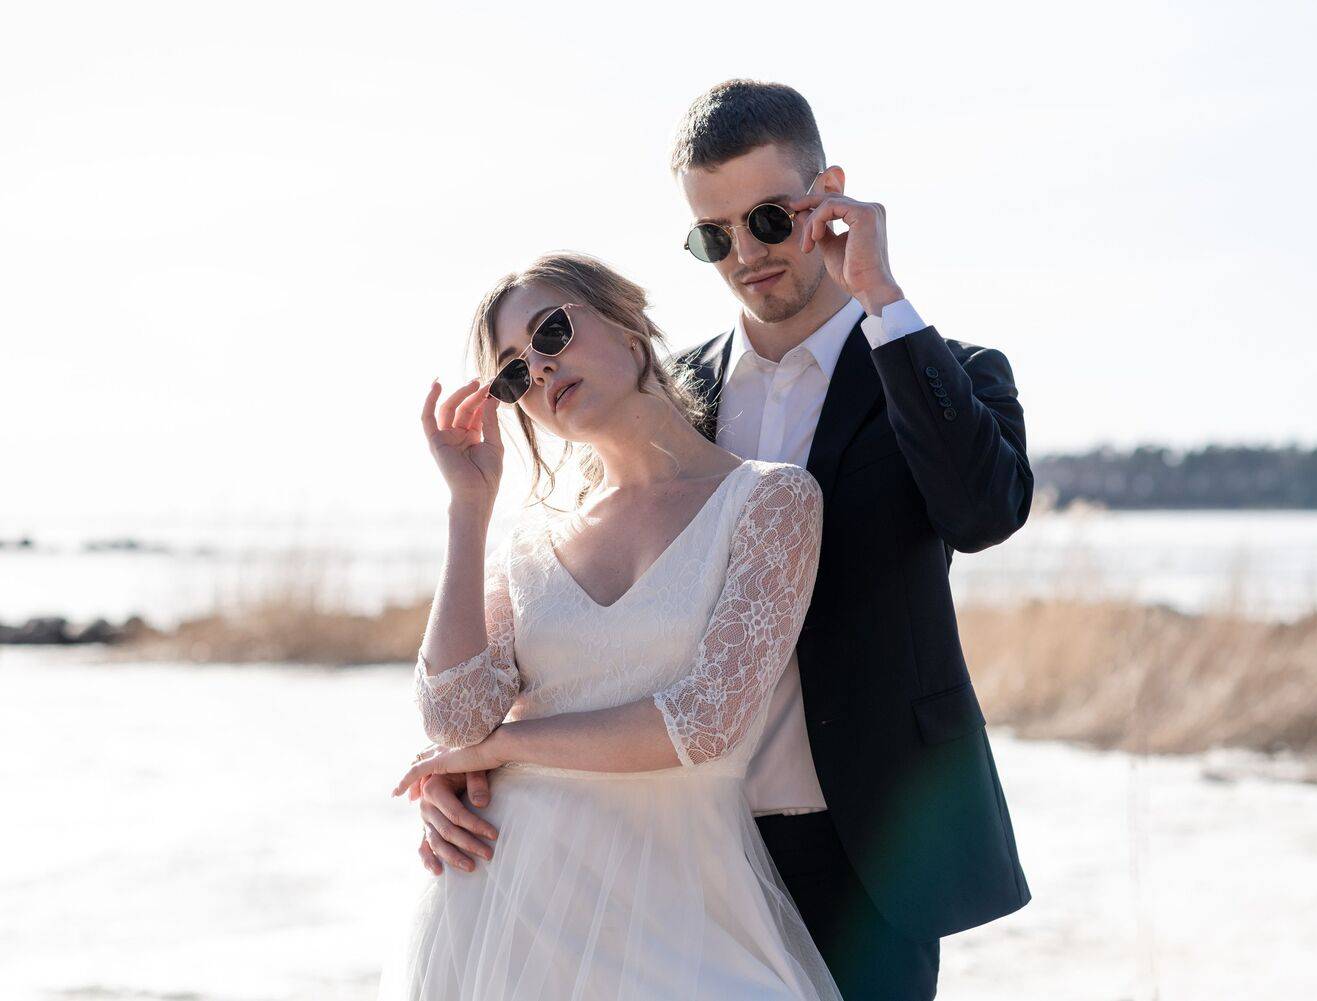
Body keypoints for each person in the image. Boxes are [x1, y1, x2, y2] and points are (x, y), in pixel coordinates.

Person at [414, 79, 1034, 1000]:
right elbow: (571, 633)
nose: (746, 254)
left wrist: (881, 296)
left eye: (771, 219)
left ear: (828, 197)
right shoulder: (668, 399)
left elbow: (985, 512)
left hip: (867, 845)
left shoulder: (937, 369)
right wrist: (469, 769)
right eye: (714, 235)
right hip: (672, 846)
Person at [376, 252, 841, 999]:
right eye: (512, 374)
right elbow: (456, 720)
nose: (539, 368)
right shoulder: (528, 543)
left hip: (683, 906)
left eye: (551, 332)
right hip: (505, 906)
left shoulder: (770, 502)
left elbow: (707, 721)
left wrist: (502, 747)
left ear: (628, 326)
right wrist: (469, 507)